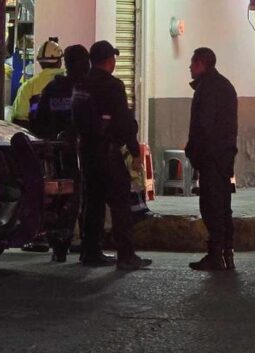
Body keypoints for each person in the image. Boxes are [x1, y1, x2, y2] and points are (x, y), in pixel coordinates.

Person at [72, 40, 151, 271]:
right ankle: (125, 255)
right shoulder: (112, 85)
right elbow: (123, 121)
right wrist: (134, 149)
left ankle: (91, 252)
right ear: (109, 60)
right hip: (107, 151)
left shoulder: (80, 85)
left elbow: (76, 118)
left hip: (86, 151)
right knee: (119, 203)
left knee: (92, 202)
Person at [30, 44, 90, 261]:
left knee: (61, 198)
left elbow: (37, 119)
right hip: (80, 153)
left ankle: (60, 245)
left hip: (56, 155)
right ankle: (84, 244)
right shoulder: (85, 87)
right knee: (82, 198)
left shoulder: (53, 88)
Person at [185, 48, 239, 272]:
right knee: (223, 207)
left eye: (192, 63)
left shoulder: (207, 89)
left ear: (200, 64)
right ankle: (227, 253)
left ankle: (216, 255)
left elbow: (204, 127)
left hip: (212, 157)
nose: (189, 68)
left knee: (211, 206)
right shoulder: (225, 85)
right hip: (224, 155)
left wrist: (194, 153)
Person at [11, 38, 64, 128]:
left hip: (39, 138)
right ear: (59, 62)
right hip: (69, 139)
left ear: (40, 62)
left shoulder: (28, 86)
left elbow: (19, 120)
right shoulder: (72, 82)